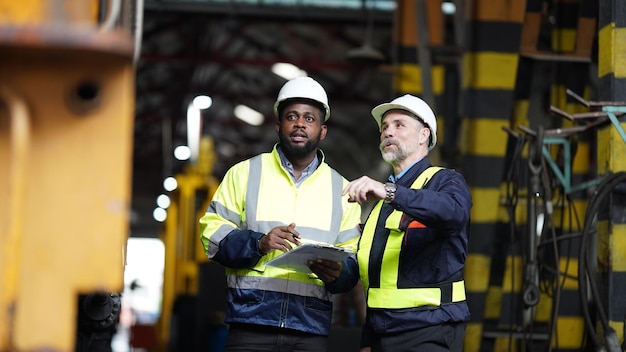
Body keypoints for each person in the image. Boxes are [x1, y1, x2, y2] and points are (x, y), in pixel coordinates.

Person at [198, 76, 362, 352]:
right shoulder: (244, 173)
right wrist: (258, 243)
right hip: (250, 324)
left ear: (322, 131)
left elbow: (354, 260)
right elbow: (211, 236)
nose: (300, 123)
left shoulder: (343, 189)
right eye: (292, 116)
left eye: (309, 118)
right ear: (278, 126)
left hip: (309, 329)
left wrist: (338, 273)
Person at [310, 94, 472, 351]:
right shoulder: (378, 207)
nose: (388, 132)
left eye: (399, 125)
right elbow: (378, 279)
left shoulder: (445, 182)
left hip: (431, 330)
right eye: (384, 127)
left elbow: (453, 212)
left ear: (423, 136)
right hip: (382, 334)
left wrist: (391, 193)